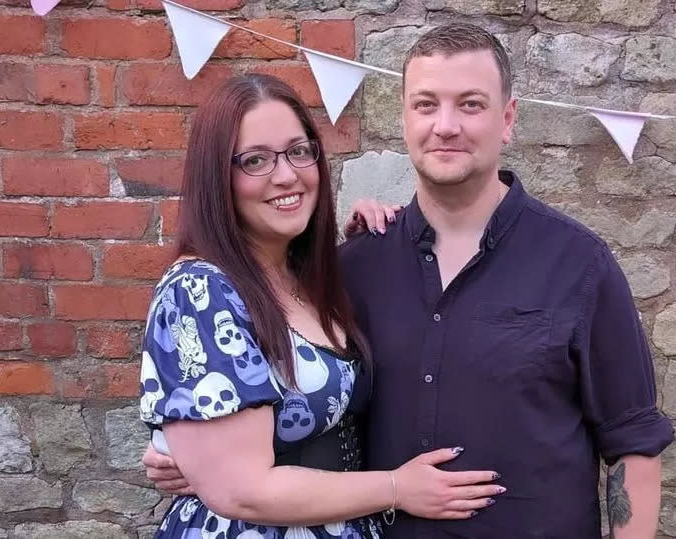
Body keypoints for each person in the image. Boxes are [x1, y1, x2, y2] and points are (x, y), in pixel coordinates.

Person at [144, 24, 675, 538]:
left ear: (508, 119)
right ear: (404, 118)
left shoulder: (578, 264)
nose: (446, 125)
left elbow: (632, 441)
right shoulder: (353, 267)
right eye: (426, 104)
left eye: (471, 104)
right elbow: (291, 406)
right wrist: (183, 452)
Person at [138, 74, 505, 539]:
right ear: (218, 179)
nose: (287, 175)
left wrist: (373, 241)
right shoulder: (200, 291)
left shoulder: (305, 276)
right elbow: (243, 491)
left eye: (298, 150)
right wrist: (397, 487)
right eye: (255, 160)